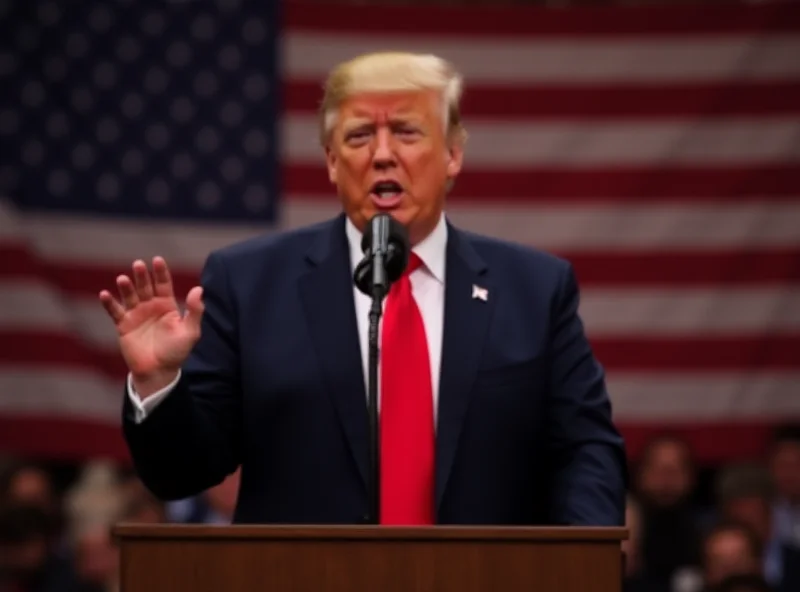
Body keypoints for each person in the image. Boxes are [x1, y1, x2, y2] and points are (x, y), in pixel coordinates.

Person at [99, 51, 627, 526]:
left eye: (407, 131)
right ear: (332, 161)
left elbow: (584, 449)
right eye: (358, 137)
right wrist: (159, 382)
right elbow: (182, 473)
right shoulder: (248, 284)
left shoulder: (534, 290)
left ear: (453, 155)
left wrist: (582, 563)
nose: (381, 154)